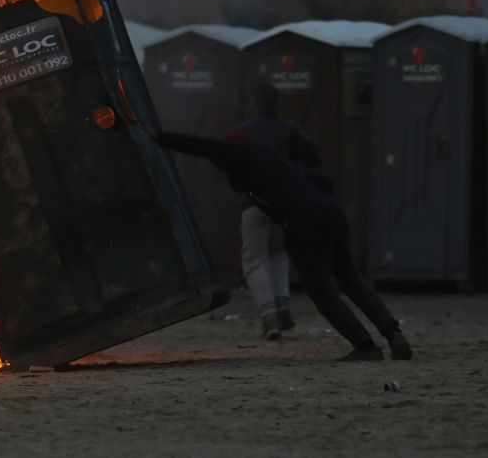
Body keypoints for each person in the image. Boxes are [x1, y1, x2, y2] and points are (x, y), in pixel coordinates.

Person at [154, 130, 413, 361]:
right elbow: (323, 182)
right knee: (352, 282)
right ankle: (394, 334)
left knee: (323, 292)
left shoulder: (241, 153)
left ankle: (365, 346)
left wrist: (159, 138)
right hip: (331, 215)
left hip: (305, 223)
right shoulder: (273, 161)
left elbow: (200, 145)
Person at [228, 81, 321, 340]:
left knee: (254, 259)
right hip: (285, 205)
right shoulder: (290, 130)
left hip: (253, 203)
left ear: (254, 104)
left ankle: (269, 317)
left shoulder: (241, 132)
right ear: (277, 103)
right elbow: (313, 159)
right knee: (279, 253)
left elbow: (229, 168)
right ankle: (283, 306)